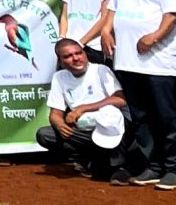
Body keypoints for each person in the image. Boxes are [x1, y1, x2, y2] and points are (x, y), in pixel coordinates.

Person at [111, 0, 176, 190]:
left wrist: (154, 38)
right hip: (127, 58)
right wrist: (105, 31)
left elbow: (172, 14)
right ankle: (153, 165)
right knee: (141, 115)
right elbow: (114, 8)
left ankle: (174, 168)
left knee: (166, 114)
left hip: (158, 60)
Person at [39, 38, 130, 182]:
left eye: (78, 53)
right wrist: (60, 125)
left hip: (108, 124)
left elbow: (120, 99)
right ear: (60, 60)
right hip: (84, 130)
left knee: (114, 118)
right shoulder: (59, 77)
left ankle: (118, 167)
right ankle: (89, 160)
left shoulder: (100, 70)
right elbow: (55, 114)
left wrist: (83, 108)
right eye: (68, 56)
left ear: (85, 54)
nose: (76, 58)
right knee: (45, 135)